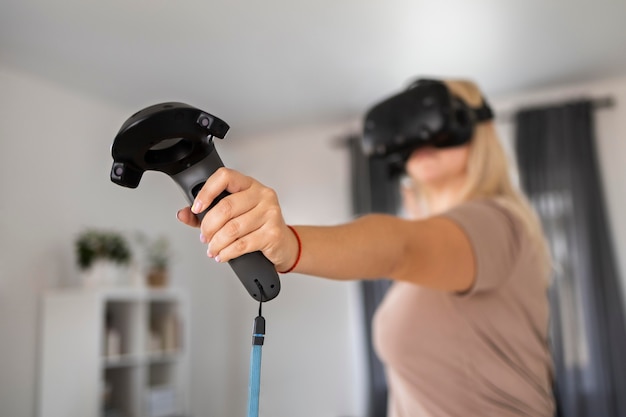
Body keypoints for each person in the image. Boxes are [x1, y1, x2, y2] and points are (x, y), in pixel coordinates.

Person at [176, 79, 555, 416]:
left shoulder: (496, 221)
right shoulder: (435, 255)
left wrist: (290, 244)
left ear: (476, 129)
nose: (423, 138)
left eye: (439, 121)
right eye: (412, 129)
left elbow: (400, 248)